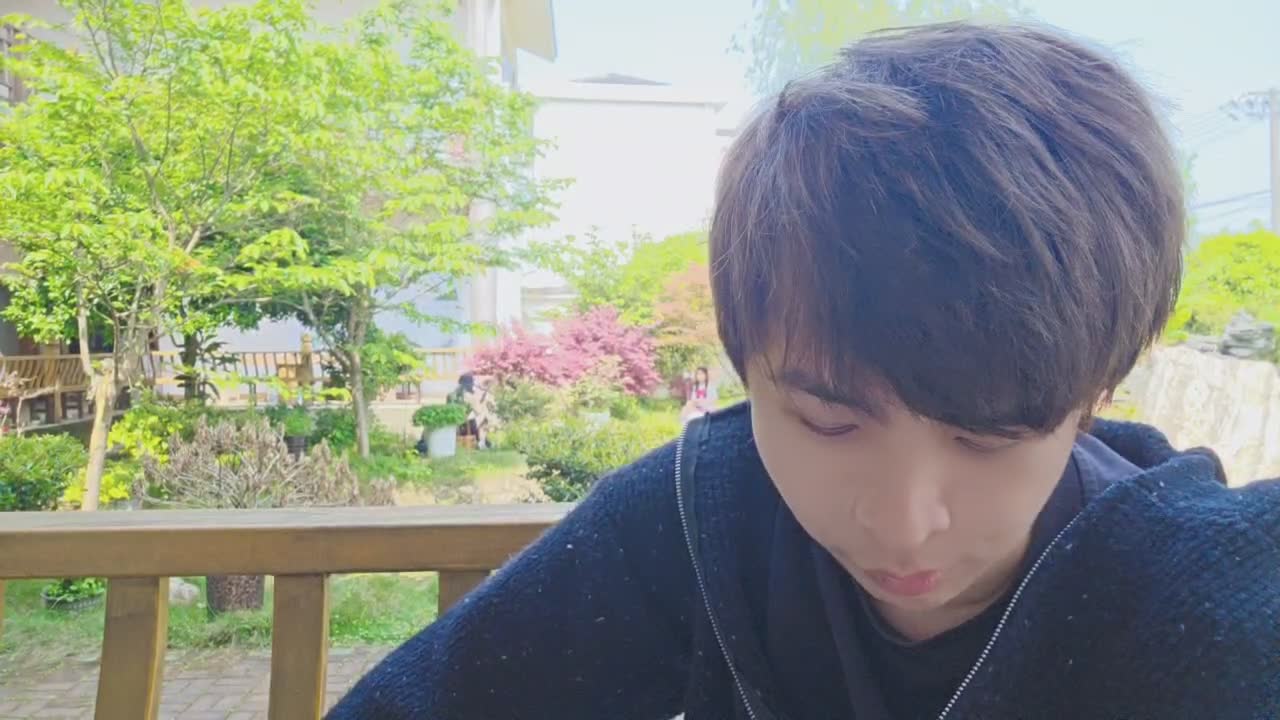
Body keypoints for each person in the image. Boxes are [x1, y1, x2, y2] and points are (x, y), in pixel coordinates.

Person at [329, 23, 1280, 719]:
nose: (903, 523)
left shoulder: (1190, 589)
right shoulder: (705, 517)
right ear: (747, 370)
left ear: (1096, 392)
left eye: (989, 434)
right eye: (829, 422)